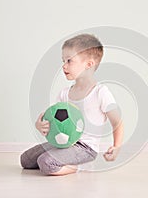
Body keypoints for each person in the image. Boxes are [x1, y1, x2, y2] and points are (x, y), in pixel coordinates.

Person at [20, 34, 124, 176]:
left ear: (88, 64)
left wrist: (117, 146)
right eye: (63, 61)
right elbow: (55, 123)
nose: (64, 66)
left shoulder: (100, 92)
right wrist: (41, 126)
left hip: (85, 148)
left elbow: (117, 122)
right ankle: (64, 159)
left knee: (46, 162)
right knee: (25, 160)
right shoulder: (64, 94)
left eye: (69, 61)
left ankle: (81, 166)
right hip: (64, 143)